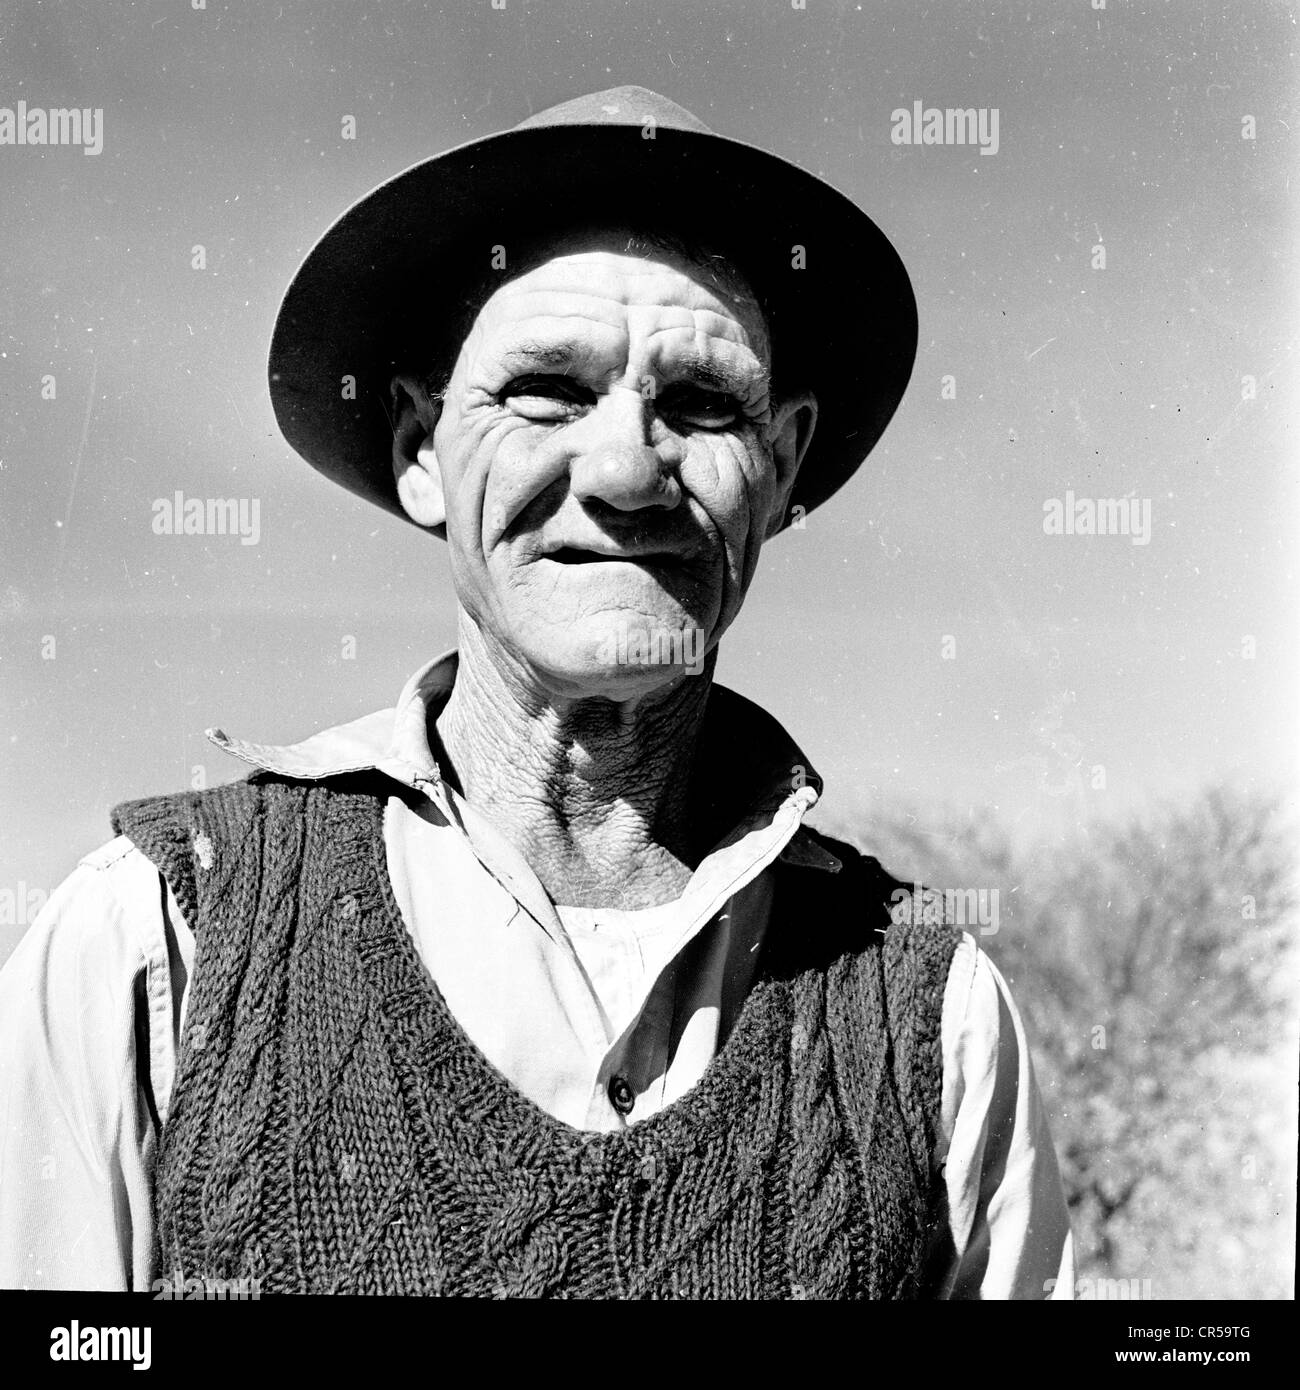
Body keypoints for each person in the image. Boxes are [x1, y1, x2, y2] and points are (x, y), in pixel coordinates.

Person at [0, 86, 1074, 1298]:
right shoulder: (157, 942)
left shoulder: (937, 1017)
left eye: (703, 405)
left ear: (780, 468)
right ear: (420, 451)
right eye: (548, 392)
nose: (624, 470)